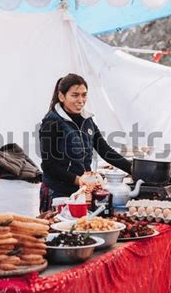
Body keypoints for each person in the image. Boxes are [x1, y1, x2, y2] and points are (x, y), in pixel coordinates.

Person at [39, 73, 132, 212]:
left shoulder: (87, 120)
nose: (81, 100)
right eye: (75, 95)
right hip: (58, 192)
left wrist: (134, 170)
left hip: (81, 191)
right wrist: (79, 180)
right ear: (61, 96)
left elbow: (105, 151)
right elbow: (49, 166)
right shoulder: (51, 122)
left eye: (84, 95)